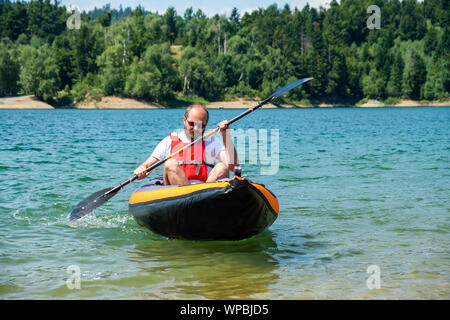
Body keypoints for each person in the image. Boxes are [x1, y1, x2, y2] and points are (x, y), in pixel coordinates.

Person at [134, 104, 239, 185]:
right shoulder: (169, 141)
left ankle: (202, 201)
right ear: (184, 120)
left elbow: (233, 166)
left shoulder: (212, 141)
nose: (196, 128)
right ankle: (191, 199)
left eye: (200, 125)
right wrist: (141, 169)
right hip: (179, 194)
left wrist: (226, 136)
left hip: (206, 192)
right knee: (170, 163)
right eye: (192, 124)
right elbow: (146, 166)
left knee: (221, 167)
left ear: (206, 124)